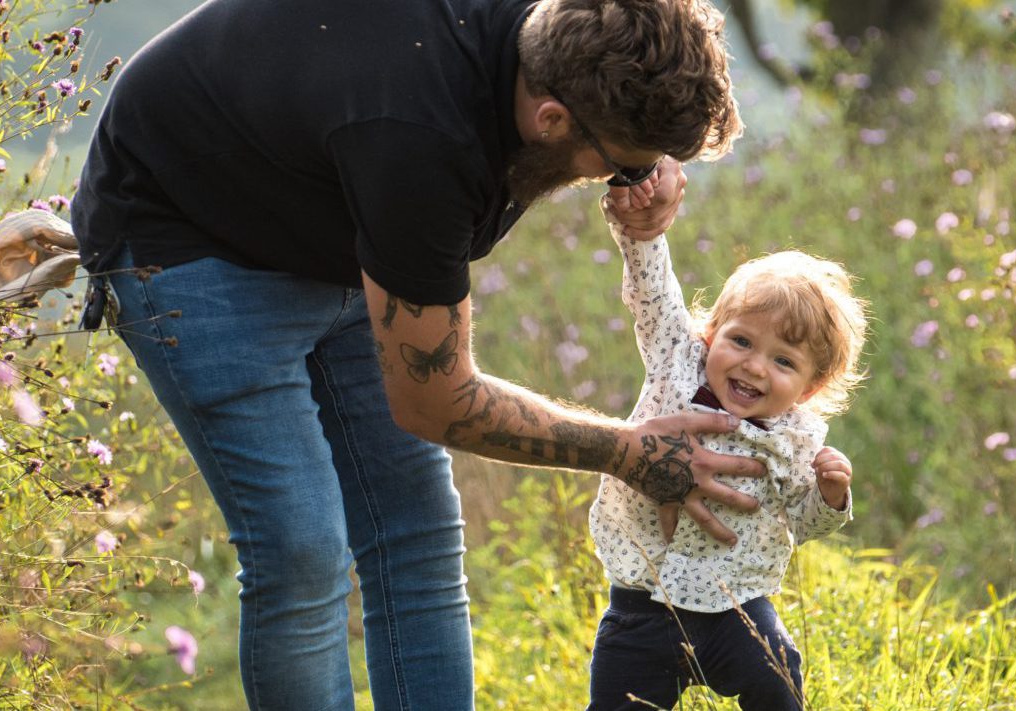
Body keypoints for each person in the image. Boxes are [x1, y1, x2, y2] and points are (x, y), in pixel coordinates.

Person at [70, 0, 751, 709]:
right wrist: (625, 450)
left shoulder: (564, 31)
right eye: (619, 168)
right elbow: (435, 400)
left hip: (329, 207)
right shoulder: (421, 140)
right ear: (551, 119)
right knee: (302, 553)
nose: (627, 180)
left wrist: (649, 160)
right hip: (184, 234)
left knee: (418, 535)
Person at [586, 200, 869, 711]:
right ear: (710, 334)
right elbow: (652, 293)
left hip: (737, 609)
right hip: (641, 603)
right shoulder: (677, 364)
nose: (754, 367)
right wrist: (642, 231)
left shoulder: (796, 439)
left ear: (810, 386)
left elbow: (802, 524)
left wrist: (830, 495)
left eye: (784, 361)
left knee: (778, 676)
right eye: (741, 341)